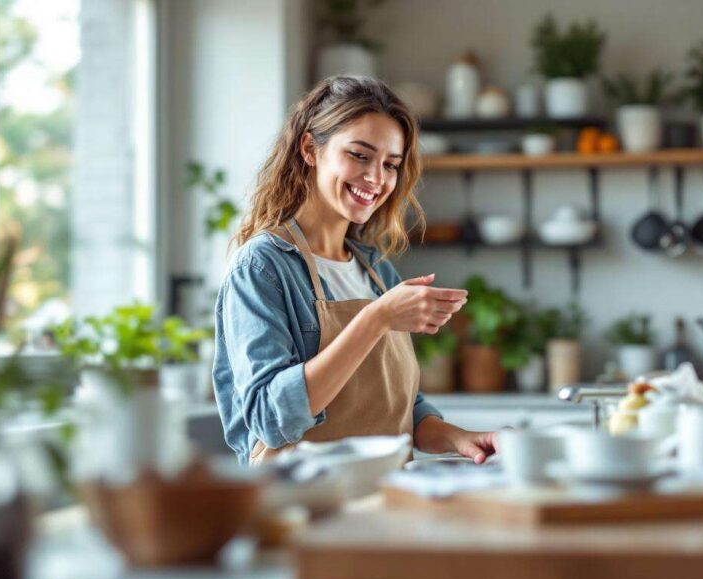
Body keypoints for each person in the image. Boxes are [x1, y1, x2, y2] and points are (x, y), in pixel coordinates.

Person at [212, 76, 497, 465]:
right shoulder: (263, 266)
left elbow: (402, 410)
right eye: (360, 155)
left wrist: (460, 438)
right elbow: (270, 419)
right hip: (306, 510)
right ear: (310, 149)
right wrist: (376, 319)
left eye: (390, 164)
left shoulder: (375, 268)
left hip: (389, 502)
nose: (377, 178)